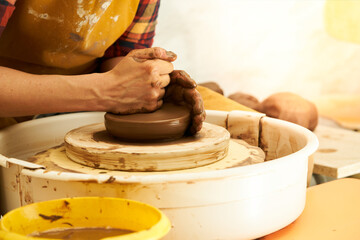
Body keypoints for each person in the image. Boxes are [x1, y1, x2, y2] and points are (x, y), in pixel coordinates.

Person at [0, 0, 205, 134]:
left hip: (88, 100)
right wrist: (104, 91)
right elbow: (110, 87)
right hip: (11, 104)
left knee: (226, 118)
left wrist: (154, 86)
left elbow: (121, 60)